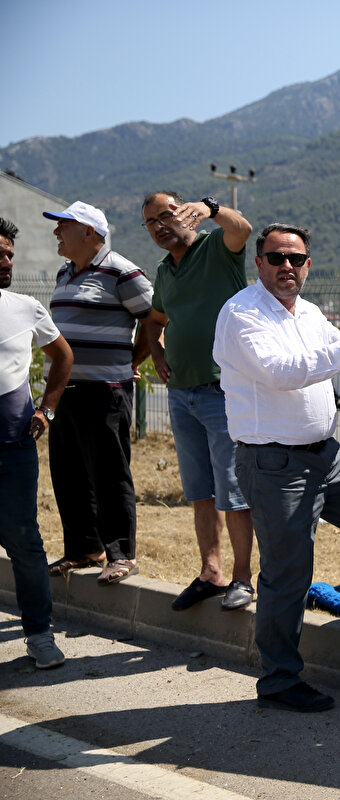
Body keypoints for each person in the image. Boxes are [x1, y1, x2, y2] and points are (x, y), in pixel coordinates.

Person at [213, 223, 340, 713]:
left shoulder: (307, 313)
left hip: (324, 453)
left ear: (308, 265)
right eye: (276, 257)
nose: (287, 266)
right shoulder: (241, 314)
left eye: (297, 259)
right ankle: (280, 680)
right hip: (274, 462)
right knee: (288, 573)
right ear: (259, 262)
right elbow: (283, 371)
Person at [141, 191, 256, 612]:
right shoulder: (163, 271)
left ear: (186, 213)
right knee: (200, 491)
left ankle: (242, 580)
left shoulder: (215, 248)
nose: (159, 225)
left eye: (166, 215)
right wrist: (155, 352)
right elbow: (154, 319)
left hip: (221, 391)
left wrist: (211, 208)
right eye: (151, 221)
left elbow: (242, 229)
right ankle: (212, 572)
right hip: (181, 395)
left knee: (233, 491)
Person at [42, 201, 153, 585]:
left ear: (89, 232)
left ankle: (122, 554)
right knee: (68, 472)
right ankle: (84, 548)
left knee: (108, 473)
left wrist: (131, 360)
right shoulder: (64, 272)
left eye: (63, 226)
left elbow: (155, 320)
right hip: (65, 391)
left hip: (105, 391)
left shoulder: (123, 272)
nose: (56, 232)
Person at [0, 217, 74, 668]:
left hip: (12, 447)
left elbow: (63, 356)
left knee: (24, 541)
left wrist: (47, 409)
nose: (7, 261)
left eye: (9, 253)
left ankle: (39, 635)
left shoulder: (26, 307)